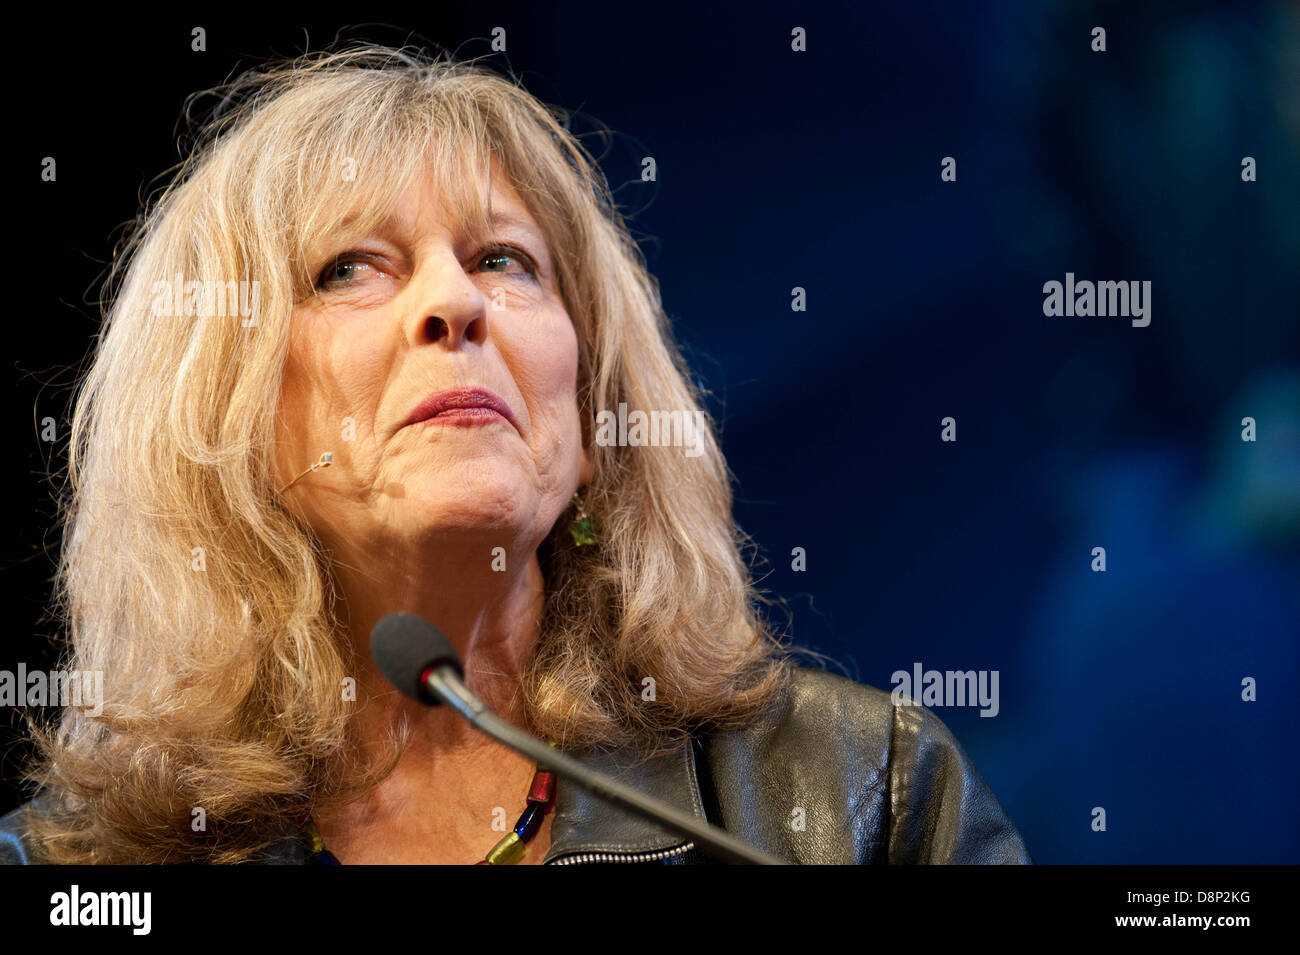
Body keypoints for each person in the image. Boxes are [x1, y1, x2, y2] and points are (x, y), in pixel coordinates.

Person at [0, 44, 1029, 865]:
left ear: (585, 417)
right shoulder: (78, 866)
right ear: (227, 412)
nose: (454, 303)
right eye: (351, 267)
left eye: (503, 260)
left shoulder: (868, 794)